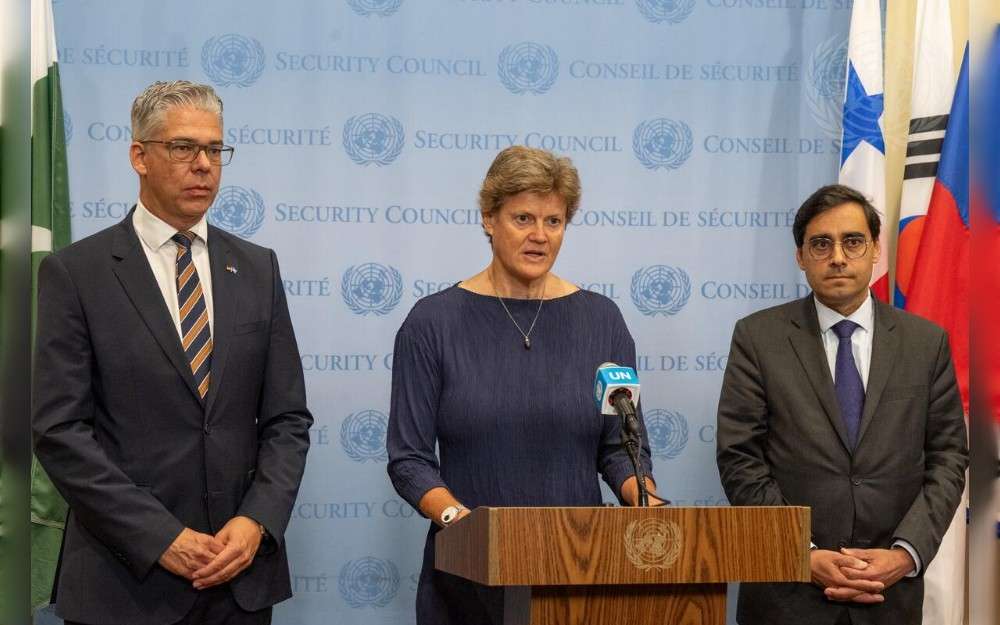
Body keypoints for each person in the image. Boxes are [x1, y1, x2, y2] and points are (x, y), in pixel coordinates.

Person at [32, 81, 313, 625]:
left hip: (239, 582)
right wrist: (162, 537)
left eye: (215, 150)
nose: (204, 165)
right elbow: (59, 431)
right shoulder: (76, 274)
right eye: (183, 148)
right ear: (139, 155)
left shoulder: (258, 267)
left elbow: (287, 419)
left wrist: (256, 520)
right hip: (125, 585)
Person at [386, 145, 658, 624]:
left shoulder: (603, 322)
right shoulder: (433, 323)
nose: (539, 236)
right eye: (523, 219)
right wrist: (464, 526)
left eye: (553, 222)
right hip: (468, 581)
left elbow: (621, 448)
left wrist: (649, 505)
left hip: (577, 578)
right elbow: (409, 460)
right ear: (489, 219)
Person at [715, 184, 968, 625]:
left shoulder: (925, 343)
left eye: (852, 242)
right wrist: (800, 553)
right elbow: (740, 457)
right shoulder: (758, 338)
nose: (837, 256)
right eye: (821, 243)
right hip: (787, 595)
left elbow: (948, 457)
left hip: (889, 595)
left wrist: (904, 555)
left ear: (874, 251)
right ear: (800, 256)